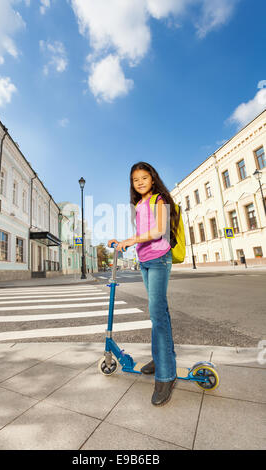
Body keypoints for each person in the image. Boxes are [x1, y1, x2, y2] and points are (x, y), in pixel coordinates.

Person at [108, 162, 180, 406]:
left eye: (144, 177)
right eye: (135, 179)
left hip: (160, 258)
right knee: (158, 314)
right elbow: (143, 233)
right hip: (146, 260)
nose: (139, 182)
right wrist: (123, 241)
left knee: (157, 313)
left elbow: (159, 230)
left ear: (152, 179)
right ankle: (161, 360)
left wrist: (130, 239)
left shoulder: (159, 199)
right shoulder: (138, 204)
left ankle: (167, 375)